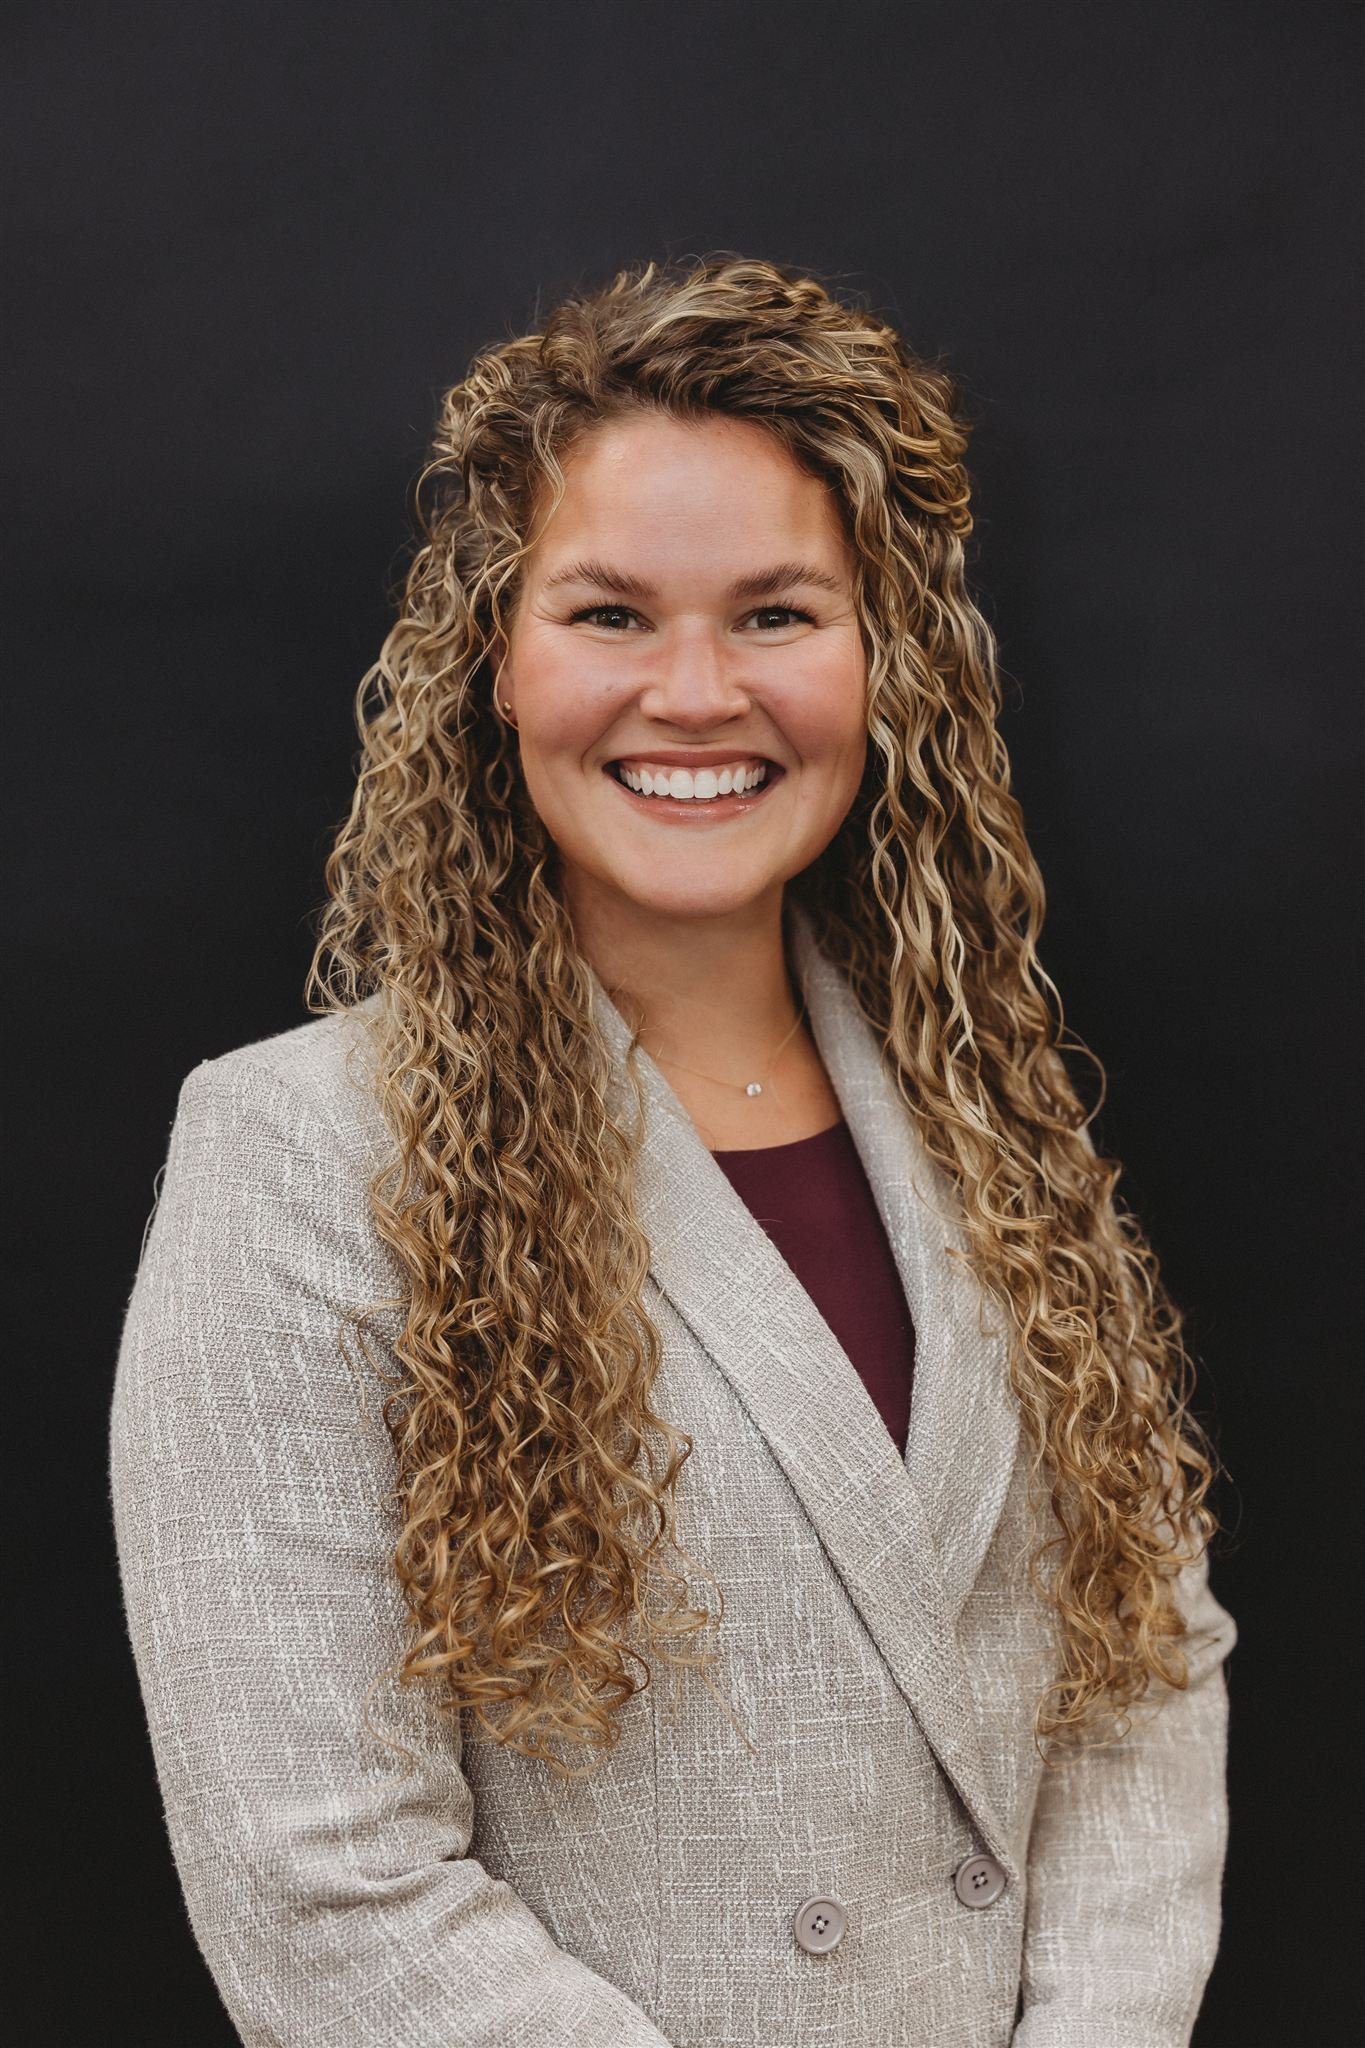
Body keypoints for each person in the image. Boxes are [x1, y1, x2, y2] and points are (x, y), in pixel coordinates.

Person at [109, 253, 1236, 2047]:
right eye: (611, 615)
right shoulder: (298, 1158)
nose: (696, 691)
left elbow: (1137, 1676)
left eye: (778, 613)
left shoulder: (990, 1113)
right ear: (492, 659)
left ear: (889, 667)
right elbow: (320, 1886)